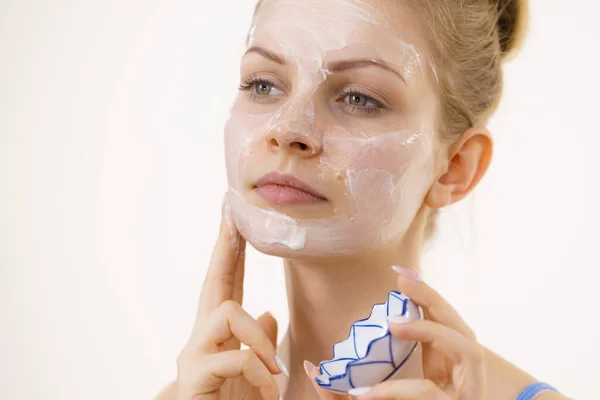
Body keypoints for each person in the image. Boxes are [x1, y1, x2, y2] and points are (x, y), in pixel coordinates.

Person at [157, 0, 569, 398]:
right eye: (263, 85)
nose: (287, 128)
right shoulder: (193, 395)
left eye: (359, 98)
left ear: (455, 167)